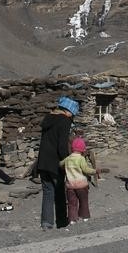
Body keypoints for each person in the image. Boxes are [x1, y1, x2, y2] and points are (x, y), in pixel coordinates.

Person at [37, 96, 77, 230]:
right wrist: (67, 162)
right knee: (59, 192)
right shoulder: (64, 121)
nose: (73, 116)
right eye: (73, 113)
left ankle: (46, 223)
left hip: (43, 162)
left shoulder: (48, 118)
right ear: (67, 110)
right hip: (55, 162)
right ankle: (61, 222)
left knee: (48, 192)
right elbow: (61, 146)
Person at [61, 137, 96, 225]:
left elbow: (60, 164)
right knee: (83, 201)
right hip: (82, 185)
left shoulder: (68, 159)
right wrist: (95, 171)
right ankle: (84, 216)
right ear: (82, 149)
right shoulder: (81, 159)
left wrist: (64, 167)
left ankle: (72, 219)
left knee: (72, 203)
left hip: (70, 186)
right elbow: (86, 170)